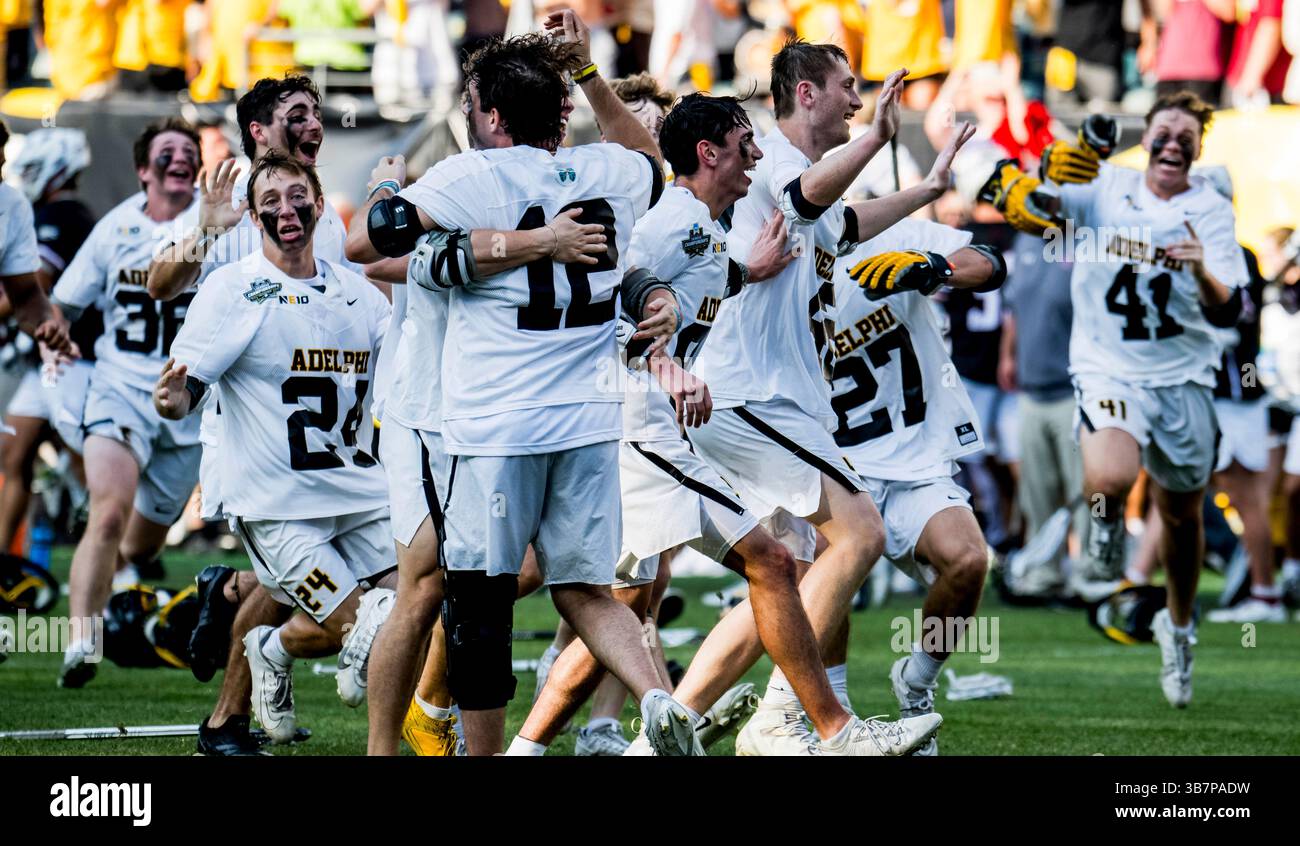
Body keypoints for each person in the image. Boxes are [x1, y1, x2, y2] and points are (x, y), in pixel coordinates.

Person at [345, 15, 699, 756]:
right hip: (591, 419)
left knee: (477, 603)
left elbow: (374, 235)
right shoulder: (607, 171)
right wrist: (589, 73)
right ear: (560, 109)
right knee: (584, 590)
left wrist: (385, 182)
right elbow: (654, 162)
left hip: (495, 424)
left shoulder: (471, 175)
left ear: (494, 115)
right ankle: (659, 696)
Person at [672, 41, 970, 755]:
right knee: (860, 533)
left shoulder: (796, 173)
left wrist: (926, 192)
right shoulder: (770, 160)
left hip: (758, 399)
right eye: (848, 87)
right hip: (750, 394)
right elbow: (810, 199)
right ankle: (789, 718)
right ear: (806, 94)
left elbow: (843, 224)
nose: (859, 100)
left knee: (784, 576)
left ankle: (663, 730)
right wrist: (877, 140)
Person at [982, 90, 1249, 706]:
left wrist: (1202, 268)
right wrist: (1032, 180)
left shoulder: (1209, 208)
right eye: (1164, 130)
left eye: (1187, 135)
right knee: (1108, 478)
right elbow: (1030, 206)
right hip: (1109, 368)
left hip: (1182, 376)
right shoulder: (1107, 186)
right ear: (1147, 136)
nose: (1173, 142)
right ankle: (1102, 543)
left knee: (1181, 517)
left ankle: (1178, 628)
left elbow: (1231, 306)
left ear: (1198, 150)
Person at [149, 73, 375, 757]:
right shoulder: (239, 205)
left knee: (295, 578)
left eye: (315, 114)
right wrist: (202, 230)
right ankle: (229, 714)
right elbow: (161, 283)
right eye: (296, 115)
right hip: (247, 429)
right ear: (259, 131)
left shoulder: (317, 208)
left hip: (322, 435)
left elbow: (348, 290)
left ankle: (232, 601)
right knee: (308, 579)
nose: (314, 125)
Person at [50, 119, 203, 688]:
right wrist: (55, 337)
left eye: (189, 152)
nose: (180, 159)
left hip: (188, 400)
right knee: (108, 512)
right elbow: (62, 303)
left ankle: (119, 595)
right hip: (120, 386)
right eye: (168, 152)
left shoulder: (216, 225)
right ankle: (82, 641)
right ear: (144, 169)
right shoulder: (115, 228)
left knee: (139, 546)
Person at [0, 129, 98, 555]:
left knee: (85, 467)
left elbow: (32, 289)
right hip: (55, 362)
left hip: (73, 361)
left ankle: (120, 555)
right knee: (14, 454)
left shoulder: (62, 217)